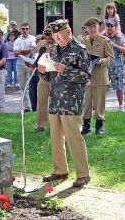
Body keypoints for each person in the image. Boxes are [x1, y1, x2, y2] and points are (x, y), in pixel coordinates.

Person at [38, 19, 90, 188]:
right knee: (55, 137)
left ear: (68, 32)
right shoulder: (54, 50)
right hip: (55, 100)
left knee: (74, 138)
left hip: (71, 101)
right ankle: (60, 170)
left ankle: (83, 174)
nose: (58, 40)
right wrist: (44, 72)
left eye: (60, 37)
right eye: (55, 37)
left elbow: (86, 76)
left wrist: (65, 69)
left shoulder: (80, 50)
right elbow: (50, 75)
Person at [80, 17, 114, 135]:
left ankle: (99, 125)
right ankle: (86, 125)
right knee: (86, 102)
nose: (92, 29)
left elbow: (111, 58)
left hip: (100, 75)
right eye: (90, 27)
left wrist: (102, 61)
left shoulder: (105, 40)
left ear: (99, 27)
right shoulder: (83, 41)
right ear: (86, 29)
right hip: (86, 77)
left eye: (94, 26)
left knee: (99, 102)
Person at [32, 26, 55, 131]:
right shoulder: (41, 44)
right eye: (46, 37)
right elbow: (35, 57)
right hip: (44, 77)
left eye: (50, 36)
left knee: (56, 102)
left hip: (57, 78)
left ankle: (57, 126)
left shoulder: (60, 44)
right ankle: (40, 125)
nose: (48, 39)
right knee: (41, 101)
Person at [104, 19, 125, 110]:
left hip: (117, 65)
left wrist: (114, 45)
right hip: (104, 66)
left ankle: (120, 106)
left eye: (112, 26)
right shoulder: (102, 37)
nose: (110, 28)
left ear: (115, 27)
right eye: (108, 26)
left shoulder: (119, 37)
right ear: (105, 27)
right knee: (103, 88)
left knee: (119, 87)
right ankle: (102, 106)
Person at [14, 22, 36, 111]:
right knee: (22, 86)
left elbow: (33, 49)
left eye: (26, 28)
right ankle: (27, 107)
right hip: (20, 65)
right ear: (20, 30)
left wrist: (21, 51)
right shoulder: (17, 40)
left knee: (31, 86)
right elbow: (15, 53)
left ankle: (33, 106)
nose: (25, 30)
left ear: (29, 30)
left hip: (30, 64)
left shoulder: (33, 38)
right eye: (23, 28)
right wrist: (27, 50)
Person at [29, 34, 43, 111]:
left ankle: (41, 109)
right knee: (32, 91)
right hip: (34, 74)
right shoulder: (34, 49)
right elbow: (30, 61)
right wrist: (30, 67)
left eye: (39, 39)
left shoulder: (46, 48)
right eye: (36, 39)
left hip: (42, 75)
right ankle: (34, 108)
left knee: (41, 92)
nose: (37, 41)